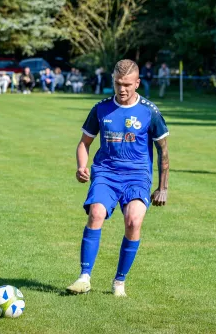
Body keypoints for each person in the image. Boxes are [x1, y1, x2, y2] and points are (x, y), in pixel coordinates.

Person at [66, 59, 170, 297]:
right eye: (117, 84)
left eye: (127, 84)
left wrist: (162, 187)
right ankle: (84, 277)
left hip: (137, 176)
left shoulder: (150, 112)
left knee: (133, 221)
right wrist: (81, 166)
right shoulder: (101, 109)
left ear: (137, 83)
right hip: (106, 172)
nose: (122, 89)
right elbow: (84, 143)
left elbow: (163, 151)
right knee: (96, 213)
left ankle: (119, 281)